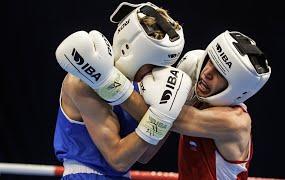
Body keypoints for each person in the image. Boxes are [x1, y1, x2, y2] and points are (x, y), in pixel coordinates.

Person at [54, 2, 191, 179]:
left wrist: (168, 108)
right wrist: (157, 121)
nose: (155, 73)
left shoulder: (143, 87)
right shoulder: (82, 81)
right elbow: (118, 160)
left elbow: (144, 156)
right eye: (152, 66)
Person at [168, 30, 271, 179]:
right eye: (210, 60)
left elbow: (164, 115)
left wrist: (123, 86)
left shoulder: (234, 122)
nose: (207, 72)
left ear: (236, 88)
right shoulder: (201, 97)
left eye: (220, 73)